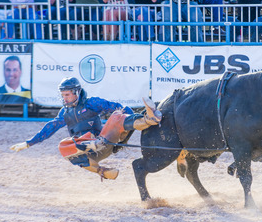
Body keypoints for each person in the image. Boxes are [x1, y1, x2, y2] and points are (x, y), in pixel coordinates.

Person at [10, 77, 163, 180]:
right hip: (87, 151)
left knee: (117, 115)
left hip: (104, 140)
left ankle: (149, 119)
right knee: (63, 146)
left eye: (67, 95)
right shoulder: (65, 112)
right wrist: (28, 143)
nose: (64, 98)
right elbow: (50, 128)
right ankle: (103, 172)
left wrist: (129, 123)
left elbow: (118, 107)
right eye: (63, 95)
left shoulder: (92, 103)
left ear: (77, 92)